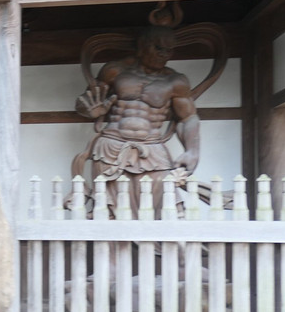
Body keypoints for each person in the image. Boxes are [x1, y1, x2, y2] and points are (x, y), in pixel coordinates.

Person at [74, 11, 200, 215]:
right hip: (111, 146)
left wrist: (193, 150)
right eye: (158, 48)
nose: (164, 54)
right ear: (142, 46)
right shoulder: (115, 71)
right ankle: (113, 247)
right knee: (109, 209)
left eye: (169, 50)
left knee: (160, 205)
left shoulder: (176, 81)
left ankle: (153, 247)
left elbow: (188, 118)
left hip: (152, 148)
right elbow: (86, 101)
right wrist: (92, 111)